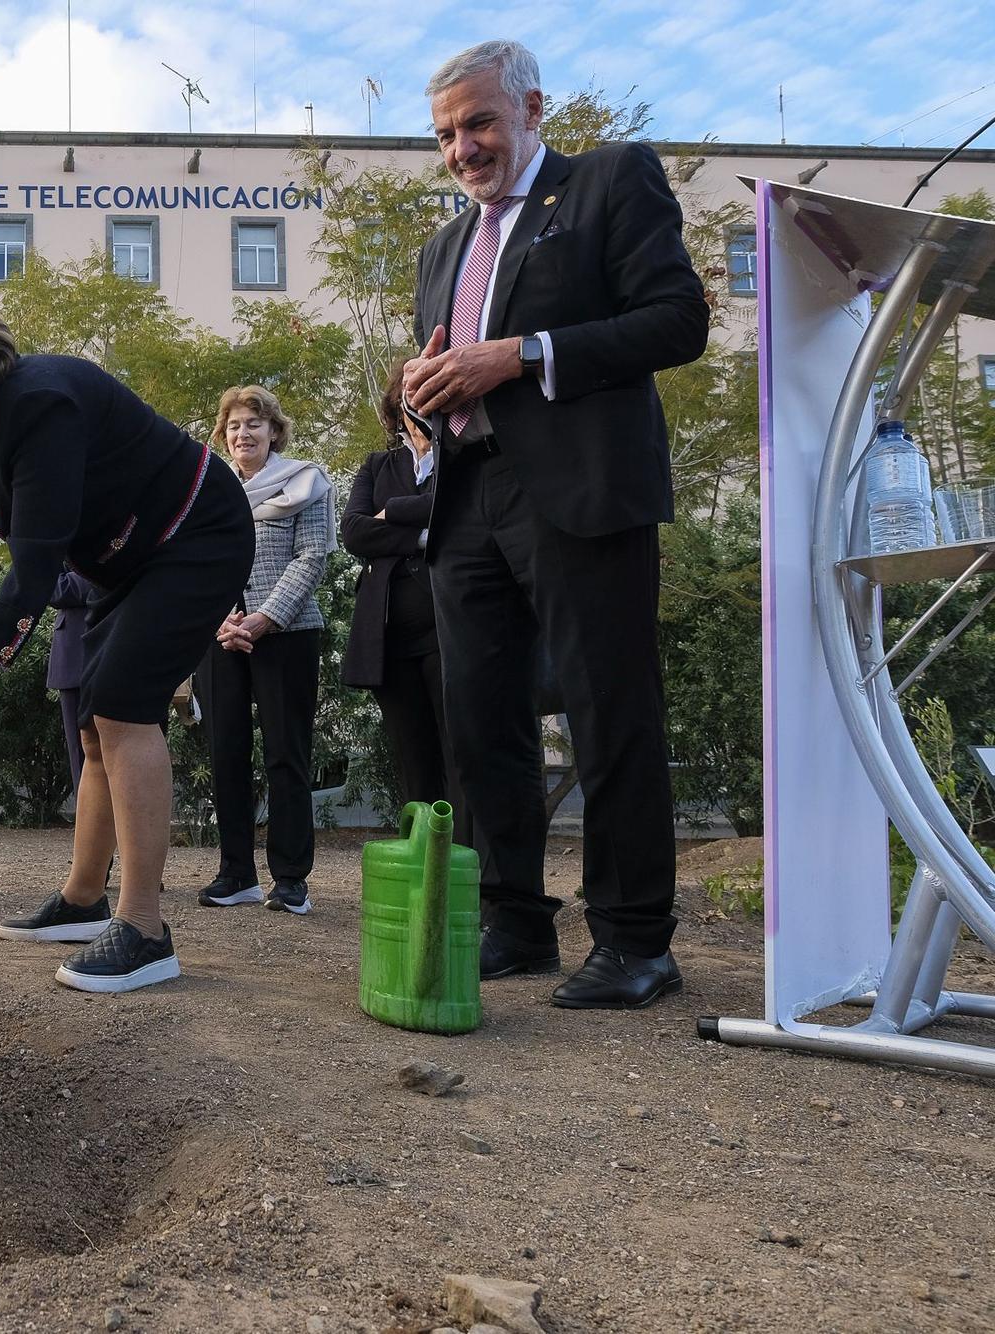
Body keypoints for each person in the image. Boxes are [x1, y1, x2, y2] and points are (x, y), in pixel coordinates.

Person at [405, 40, 708, 1007]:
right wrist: (422, 384)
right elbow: (447, 362)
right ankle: (515, 921)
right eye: (447, 133)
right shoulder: (443, 246)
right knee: (480, 717)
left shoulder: (610, 181)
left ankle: (632, 940)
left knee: (604, 704)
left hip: (580, 489)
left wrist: (522, 353)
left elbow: (678, 321)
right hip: (467, 495)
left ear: (533, 107)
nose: (463, 148)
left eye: (479, 122)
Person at [0, 281, 254, 994]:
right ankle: (83, 900)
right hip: (126, 565)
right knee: (94, 728)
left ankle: (145, 930)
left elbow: (36, 569)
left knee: (122, 704)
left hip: (197, 536)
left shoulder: (41, 403)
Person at [194, 385, 332, 915]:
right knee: (224, 752)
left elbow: (311, 558)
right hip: (220, 635)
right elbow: (198, 558)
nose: (242, 433)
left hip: (288, 634)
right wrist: (220, 617)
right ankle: (236, 873)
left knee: (286, 754)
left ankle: (291, 878)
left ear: (275, 430)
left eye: (253, 423)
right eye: (233, 425)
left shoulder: (307, 483)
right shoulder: (212, 487)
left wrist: (262, 618)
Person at [340, 361, 472, 849]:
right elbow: (354, 532)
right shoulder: (378, 466)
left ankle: (466, 863)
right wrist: (423, 533)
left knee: (459, 749)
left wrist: (394, 513)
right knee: (413, 758)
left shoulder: (463, 461)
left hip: (448, 627)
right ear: (396, 413)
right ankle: (425, 861)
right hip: (388, 634)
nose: (415, 416)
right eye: (407, 407)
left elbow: (459, 515)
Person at [46, 570, 97, 798]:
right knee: (80, 757)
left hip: (110, 652)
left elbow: (60, 589)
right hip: (72, 661)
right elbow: (52, 589)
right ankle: (89, 830)